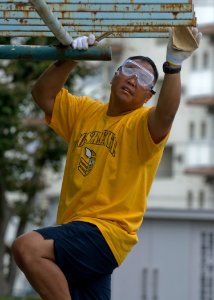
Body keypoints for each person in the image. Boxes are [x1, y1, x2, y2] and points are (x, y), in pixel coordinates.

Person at [12, 28, 202, 300]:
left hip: (106, 232)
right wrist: (72, 57)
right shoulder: (85, 113)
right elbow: (43, 95)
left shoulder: (141, 125)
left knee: (27, 248)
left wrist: (173, 66)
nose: (134, 79)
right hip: (74, 230)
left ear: (148, 96)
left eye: (145, 78)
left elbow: (167, 114)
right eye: (129, 69)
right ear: (115, 75)